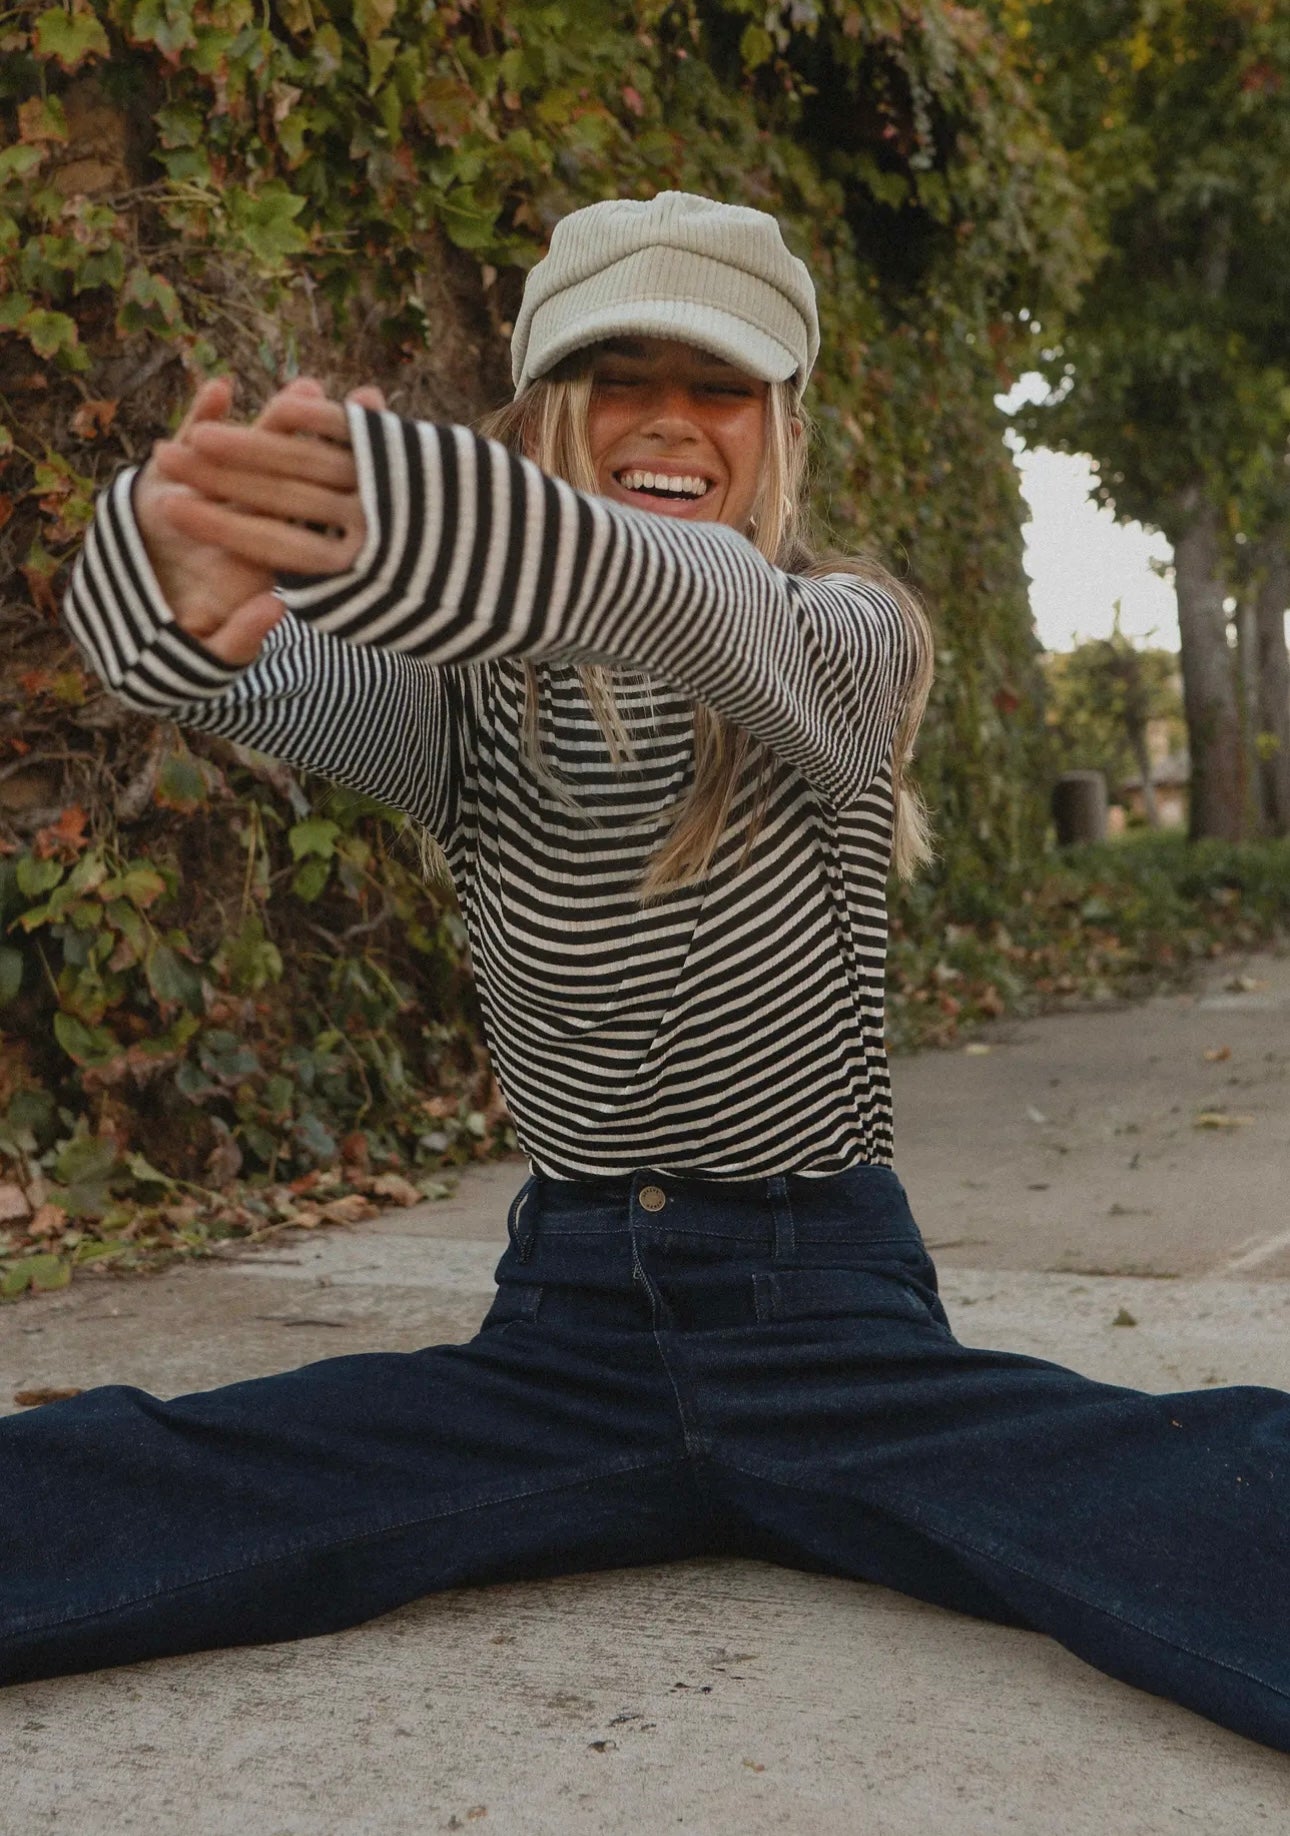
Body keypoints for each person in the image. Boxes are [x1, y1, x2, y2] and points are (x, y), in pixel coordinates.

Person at [5, 192, 1288, 1752]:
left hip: (827, 1320)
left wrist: (402, 516)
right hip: (565, 1330)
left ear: (779, 424)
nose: (667, 419)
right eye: (620, 377)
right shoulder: (461, 707)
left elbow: (682, 595)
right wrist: (183, 591)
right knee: (160, 1474)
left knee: (1194, 1486)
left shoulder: (842, 640)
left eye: (718, 385)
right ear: (547, 404)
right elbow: (235, 666)